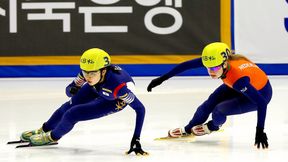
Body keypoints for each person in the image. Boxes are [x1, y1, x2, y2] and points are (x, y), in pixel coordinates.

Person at [20, 48, 149, 155]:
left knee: (73, 113)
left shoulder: (119, 88)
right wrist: (72, 89)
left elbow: (140, 109)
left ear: (103, 71)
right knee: (67, 107)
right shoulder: (88, 73)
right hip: (97, 88)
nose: (87, 76)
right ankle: (45, 129)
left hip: (113, 100)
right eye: (85, 72)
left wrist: (136, 138)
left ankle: (53, 137)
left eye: (92, 73)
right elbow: (69, 90)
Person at [147, 42, 272, 149]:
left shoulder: (238, 79)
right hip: (239, 86)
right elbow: (185, 65)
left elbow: (261, 103)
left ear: (224, 64)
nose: (211, 72)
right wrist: (161, 79)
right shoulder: (216, 60)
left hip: (260, 95)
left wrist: (260, 130)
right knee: (208, 104)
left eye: (215, 68)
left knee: (219, 111)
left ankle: (212, 127)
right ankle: (188, 129)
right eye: (208, 68)